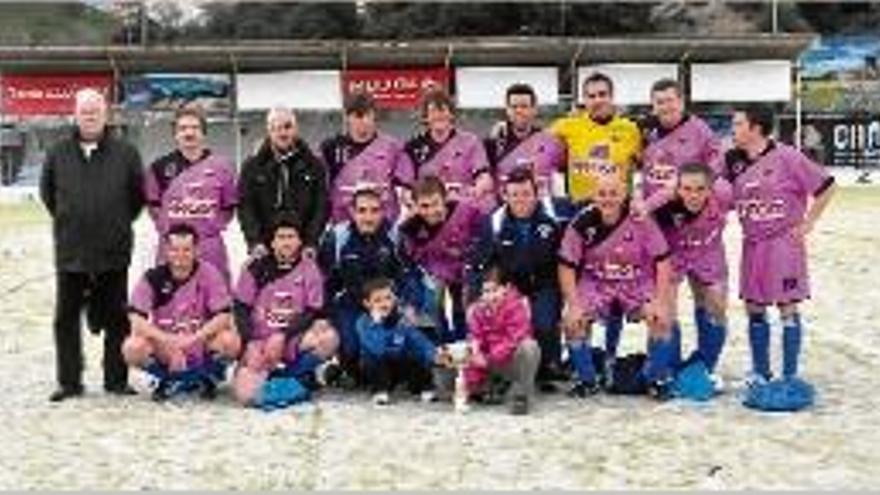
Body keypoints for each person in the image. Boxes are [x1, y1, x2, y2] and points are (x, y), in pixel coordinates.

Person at [39, 88, 145, 401]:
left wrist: (113, 222)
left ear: (106, 114)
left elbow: (136, 199)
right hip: (71, 252)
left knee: (117, 318)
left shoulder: (126, 152)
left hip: (113, 251)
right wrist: (71, 219)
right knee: (65, 319)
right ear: (75, 114)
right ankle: (69, 382)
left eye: (95, 110)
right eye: (84, 110)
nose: (90, 115)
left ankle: (116, 379)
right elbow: (49, 195)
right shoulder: (57, 152)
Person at [724, 106, 835, 384]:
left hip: (783, 244)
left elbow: (827, 186)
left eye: (738, 124)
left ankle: (789, 374)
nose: (732, 130)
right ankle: (761, 372)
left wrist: (808, 223)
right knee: (754, 307)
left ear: (755, 128)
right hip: (753, 245)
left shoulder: (787, 157)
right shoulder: (731, 161)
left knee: (787, 306)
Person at [558, 176, 675, 398]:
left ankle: (655, 379)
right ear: (594, 196)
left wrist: (660, 301)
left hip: (635, 281)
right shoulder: (582, 222)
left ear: (624, 195)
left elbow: (662, 260)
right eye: (602, 194)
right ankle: (587, 380)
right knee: (572, 322)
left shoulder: (640, 219)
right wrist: (573, 305)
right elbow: (566, 265)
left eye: (614, 193)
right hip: (596, 282)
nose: (608, 199)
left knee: (663, 319)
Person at [467, 168, 573, 391]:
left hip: (547, 282)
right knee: (511, 326)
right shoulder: (494, 222)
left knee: (543, 323)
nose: (520, 200)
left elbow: (587, 211)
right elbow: (481, 263)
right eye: (514, 194)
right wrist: (476, 298)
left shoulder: (557, 212)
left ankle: (546, 369)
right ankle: (512, 370)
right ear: (505, 196)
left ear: (536, 193)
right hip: (511, 286)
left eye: (526, 193)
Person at [318, 187, 426, 382]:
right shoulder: (338, 236)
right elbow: (324, 282)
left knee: (400, 346)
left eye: (374, 210)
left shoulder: (393, 235)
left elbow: (409, 275)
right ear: (352, 212)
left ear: (383, 212)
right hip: (351, 305)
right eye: (362, 210)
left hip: (387, 304)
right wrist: (324, 315)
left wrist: (410, 305)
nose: (368, 217)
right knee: (351, 350)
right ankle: (347, 367)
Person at [123, 224, 241, 400]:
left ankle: (208, 376)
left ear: (196, 250)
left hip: (199, 342)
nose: (180, 255)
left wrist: (193, 338)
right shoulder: (153, 277)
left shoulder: (209, 273)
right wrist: (168, 341)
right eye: (175, 249)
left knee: (231, 341)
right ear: (166, 251)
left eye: (187, 250)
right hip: (165, 346)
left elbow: (224, 315)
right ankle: (165, 379)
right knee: (132, 347)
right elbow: (136, 319)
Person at [232, 214, 339, 406]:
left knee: (329, 338)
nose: (286, 242)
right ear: (272, 242)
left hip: (292, 339)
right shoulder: (255, 267)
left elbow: (313, 309)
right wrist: (250, 342)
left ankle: (293, 375)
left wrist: (283, 335)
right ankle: (299, 382)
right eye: (281, 237)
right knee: (246, 397)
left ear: (299, 241)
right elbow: (240, 308)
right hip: (260, 342)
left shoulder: (309, 268)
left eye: (291, 237)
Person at [653, 162, 732, 375]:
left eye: (700, 190)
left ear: (710, 189)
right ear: (677, 189)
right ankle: (671, 367)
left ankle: (705, 366)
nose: (693, 195)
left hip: (709, 252)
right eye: (687, 189)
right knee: (666, 312)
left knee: (716, 307)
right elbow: (638, 221)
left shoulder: (724, 194)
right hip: (673, 254)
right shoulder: (661, 202)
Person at [144, 104, 238, 280]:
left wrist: (208, 229)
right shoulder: (159, 168)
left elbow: (229, 208)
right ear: (175, 134)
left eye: (195, 128)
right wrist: (171, 231)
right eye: (183, 128)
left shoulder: (223, 168)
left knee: (216, 303)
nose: (189, 133)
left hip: (209, 250)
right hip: (172, 250)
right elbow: (153, 206)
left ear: (203, 133)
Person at [398, 175, 484, 343]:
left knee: (468, 309)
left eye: (435, 203)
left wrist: (469, 262)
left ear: (445, 199)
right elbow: (409, 264)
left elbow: (484, 241)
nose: (431, 211)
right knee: (431, 293)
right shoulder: (409, 229)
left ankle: (469, 343)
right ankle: (439, 344)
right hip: (436, 281)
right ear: (415, 206)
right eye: (424, 206)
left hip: (468, 274)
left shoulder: (467, 211)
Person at [238, 107, 328, 255]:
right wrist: (255, 241)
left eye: (287, 126)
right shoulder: (252, 166)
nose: (282, 133)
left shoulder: (314, 165)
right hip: (265, 249)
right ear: (269, 130)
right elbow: (246, 207)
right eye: (276, 128)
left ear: (296, 128)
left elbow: (321, 206)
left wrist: (311, 241)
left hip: (304, 248)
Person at [320, 91, 415, 223]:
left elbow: (407, 186)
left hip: (383, 227)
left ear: (374, 116)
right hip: (344, 227)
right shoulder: (330, 148)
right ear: (348, 117)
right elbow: (320, 188)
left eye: (367, 115)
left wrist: (409, 203)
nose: (363, 121)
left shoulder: (392, 147)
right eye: (357, 116)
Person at [356, 277, 450, 406]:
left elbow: (418, 340)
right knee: (373, 361)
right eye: (377, 300)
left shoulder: (401, 320)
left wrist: (434, 354)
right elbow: (376, 349)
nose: (384, 304)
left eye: (388, 298)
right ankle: (380, 390)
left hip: (399, 362)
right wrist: (377, 324)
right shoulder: (364, 323)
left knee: (417, 358)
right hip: (378, 365)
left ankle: (423, 387)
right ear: (367, 303)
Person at [550, 72, 641, 203]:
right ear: (584, 100)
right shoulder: (566, 126)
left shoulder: (630, 130)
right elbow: (539, 148)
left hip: (616, 206)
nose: (597, 100)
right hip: (581, 207)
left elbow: (644, 165)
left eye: (602, 94)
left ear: (611, 96)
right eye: (591, 96)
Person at [637, 79, 723, 214]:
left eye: (670, 100)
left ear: (681, 102)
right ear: (653, 106)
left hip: (687, 212)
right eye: (660, 102)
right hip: (654, 212)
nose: (665, 107)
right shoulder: (646, 132)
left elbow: (717, 164)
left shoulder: (700, 130)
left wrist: (693, 186)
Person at [464, 266, 541, 415]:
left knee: (530, 347)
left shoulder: (517, 306)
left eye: (495, 290)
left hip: (510, 361)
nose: (490, 296)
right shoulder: (477, 310)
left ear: (506, 288)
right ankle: (489, 388)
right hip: (489, 362)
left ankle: (522, 395)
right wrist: (475, 351)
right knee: (461, 359)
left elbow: (515, 339)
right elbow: (475, 336)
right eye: (486, 292)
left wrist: (489, 358)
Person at [405, 87, 495, 212]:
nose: (438, 115)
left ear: (451, 114)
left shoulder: (471, 141)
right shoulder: (413, 146)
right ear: (425, 117)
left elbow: (484, 177)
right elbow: (406, 186)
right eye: (433, 111)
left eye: (443, 110)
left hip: (464, 206)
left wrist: (477, 190)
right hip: (428, 211)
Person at [484, 83, 566, 199]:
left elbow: (565, 175)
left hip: (540, 212)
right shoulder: (493, 144)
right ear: (507, 110)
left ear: (534, 109)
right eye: (514, 106)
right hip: (505, 211)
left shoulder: (551, 142)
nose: (519, 111)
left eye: (524, 106)